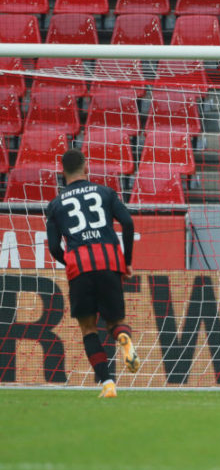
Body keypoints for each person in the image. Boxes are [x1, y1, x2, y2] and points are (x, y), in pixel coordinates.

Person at [45, 148, 138, 398]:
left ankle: (108, 384)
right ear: (85, 167)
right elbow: (128, 223)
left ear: (62, 173)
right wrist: (126, 261)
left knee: (89, 329)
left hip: (79, 266)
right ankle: (125, 341)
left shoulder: (55, 204)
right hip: (109, 262)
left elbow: (54, 246)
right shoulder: (105, 192)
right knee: (115, 323)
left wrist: (71, 262)